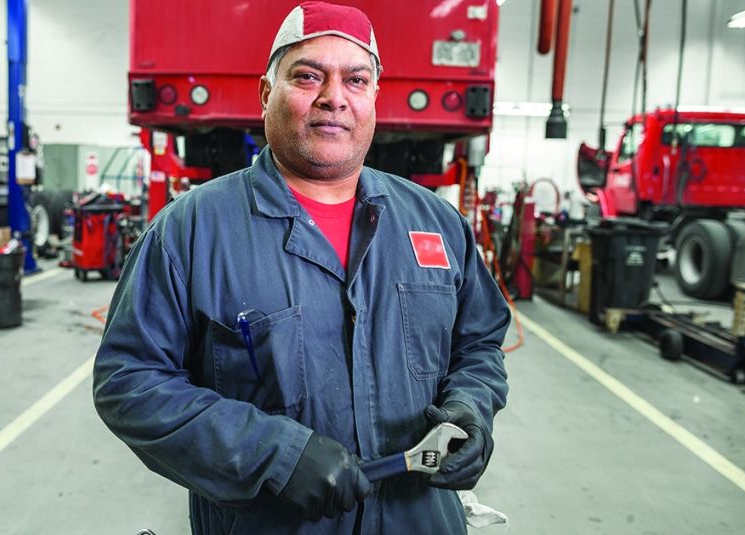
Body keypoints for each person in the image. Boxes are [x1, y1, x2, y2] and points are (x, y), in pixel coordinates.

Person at [94, 2, 509, 533]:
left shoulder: (437, 223)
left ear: (374, 98)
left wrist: (470, 409)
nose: (334, 98)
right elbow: (129, 382)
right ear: (267, 94)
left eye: (355, 80)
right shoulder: (191, 230)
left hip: (420, 518)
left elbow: (477, 344)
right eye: (308, 76)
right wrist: (273, 453)